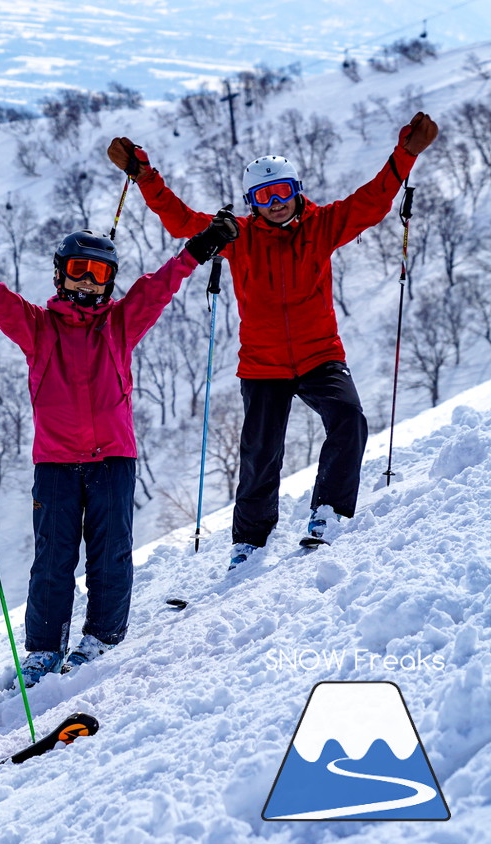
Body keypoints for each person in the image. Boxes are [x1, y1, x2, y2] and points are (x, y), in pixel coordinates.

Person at [0, 215, 236, 684]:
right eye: (79, 269)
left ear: (109, 281)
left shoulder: (121, 324)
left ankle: (102, 638)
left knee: (111, 552)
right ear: (59, 274)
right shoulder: (38, 328)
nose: (87, 279)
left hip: (113, 460)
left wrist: (201, 247)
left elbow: (160, 286)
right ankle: (44, 650)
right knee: (53, 557)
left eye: (99, 273)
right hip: (57, 463)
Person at [107, 111, 440, 568]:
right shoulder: (237, 236)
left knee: (349, 419)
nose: (276, 202)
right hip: (263, 364)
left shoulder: (322, 225)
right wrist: (145, 176)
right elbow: (182, 220)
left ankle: (328, 511)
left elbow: (372, 201)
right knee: (260, 452)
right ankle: (250, 541)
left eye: (283, 190)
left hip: (320, 354)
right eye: (264, 195)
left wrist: (406, 155)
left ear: (296, 190)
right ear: (251, 201)